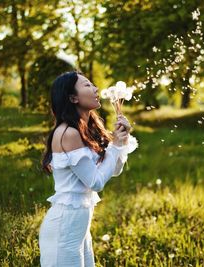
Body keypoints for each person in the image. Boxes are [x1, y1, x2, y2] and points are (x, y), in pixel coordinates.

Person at [39, 70, 135, 266]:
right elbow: (96, 182)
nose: (96, 88)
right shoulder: (68, 133)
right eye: (87, 85)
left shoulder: (85, 130)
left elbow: (112, 171)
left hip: (78, 229)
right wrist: (115, 146)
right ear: (73, 98)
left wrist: (121, 142)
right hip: (63, 230)